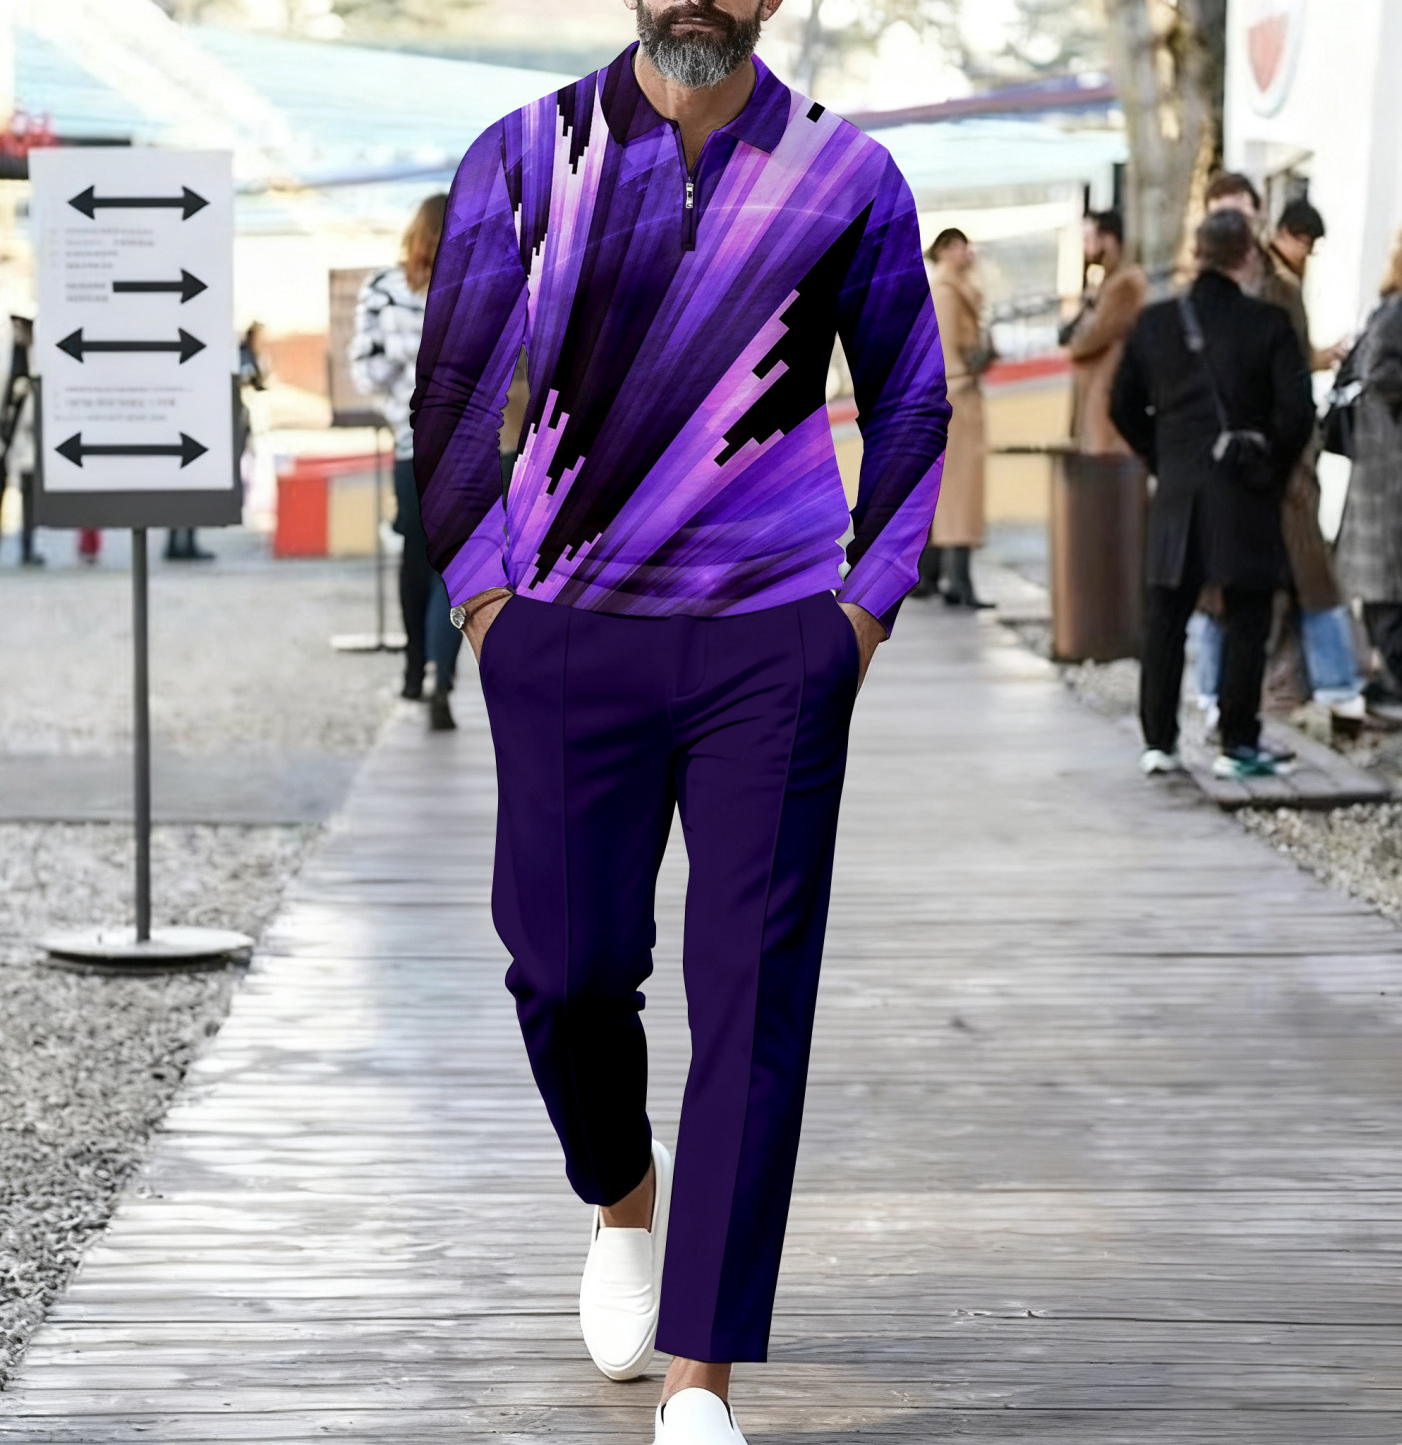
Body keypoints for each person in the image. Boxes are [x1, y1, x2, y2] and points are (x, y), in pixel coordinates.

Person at [411, 2, 951, 1439]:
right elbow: (454, 391)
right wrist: (485, 604)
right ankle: (619, 1199)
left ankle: (699, 1372)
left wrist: (861, 612)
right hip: (562, 627)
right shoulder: (522, 157)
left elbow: (907, 399)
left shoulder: (848, 176)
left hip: (771, 639)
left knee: (751, 996)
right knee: (564, 966)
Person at [1111, 208, 1314, 779]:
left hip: (1177, 491)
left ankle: (1159, 742)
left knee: (1166, 616)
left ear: (1197, 254)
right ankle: (1237, 741)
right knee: (1248, 614)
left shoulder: (1155, 323)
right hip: (1245, 491)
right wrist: (1268, 466)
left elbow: (1121, 406)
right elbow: (1298, 414)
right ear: (1248, 256)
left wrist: (1164, 457)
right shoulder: (1269, 323)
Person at [351, 196, 463, 730]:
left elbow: (365, 374)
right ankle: (442, 671)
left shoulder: (382, 288)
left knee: (416, 556)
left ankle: (416, 669)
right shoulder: (480, 283)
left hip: (412, 441)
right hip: (471, 444)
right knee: (457, 561)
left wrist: (403, 365)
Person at [1254, 198, 1364, 721]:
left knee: (1296, 580)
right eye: (1309, 245)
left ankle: (1312, 685)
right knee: (1310, 577)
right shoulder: (1278, 285)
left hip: (1281, 456)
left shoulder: (1269, 278)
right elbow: (1290, 368)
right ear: (1293, 236)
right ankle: (1336, 684)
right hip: (1289, 457)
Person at [1335, 230, 1402, 691]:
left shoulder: (1390, 308)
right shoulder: (1396, 312)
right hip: (1388, 467)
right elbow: (1381, 375)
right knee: (1387, 589)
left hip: (1384, 464)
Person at [925, 227, 993, 607]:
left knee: (952, 492)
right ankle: (958, 581)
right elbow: (953, 350)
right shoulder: (947, 292)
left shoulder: (953, 288)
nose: (969, 254)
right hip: (958, 395)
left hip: (957, 395)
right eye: (963, 246)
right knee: (959, 493)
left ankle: (940, 577)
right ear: (947, 248)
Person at [1064, 210, 1148, 457]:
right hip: (1100, 389)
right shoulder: (1105, 283)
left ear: (1109, 239)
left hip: (1110, 389)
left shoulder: (1126, 284)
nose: (1087, 248)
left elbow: (1098, 334)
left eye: (1091, 239)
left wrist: (1076, 343)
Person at [0, 313, 41, 566]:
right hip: (0, 437)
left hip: (26, 439)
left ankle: (27, 546)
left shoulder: (36, 364)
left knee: (29, 493)